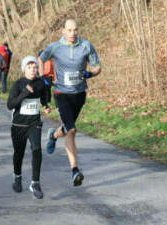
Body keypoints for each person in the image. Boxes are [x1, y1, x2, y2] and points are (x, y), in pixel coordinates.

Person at [38, 19, 101, 186]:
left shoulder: (86, 46)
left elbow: (97, 67)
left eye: (75, 30)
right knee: (72, 130)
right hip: (61, 94)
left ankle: (53, 135)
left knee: (67, 128)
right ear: (63, 31)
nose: (73, 33)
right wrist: (42, 76)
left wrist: (90, 74)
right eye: (69, 30)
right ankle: (75, 170)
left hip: (79, 95)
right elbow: (40, 59)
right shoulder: (55, 47)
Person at [7, 56, 51, 199]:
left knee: (37, 149)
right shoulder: (18, 84)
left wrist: (45, 106)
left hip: (34, 123)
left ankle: (35, 183)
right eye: (29, 67)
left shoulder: (40, 83)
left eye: (35, 67)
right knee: (18, 153)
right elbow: (10, 105)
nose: (33, 70)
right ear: (24, 69)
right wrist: (24, 93)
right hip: (19, 124)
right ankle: (17, 177)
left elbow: (43, 98)